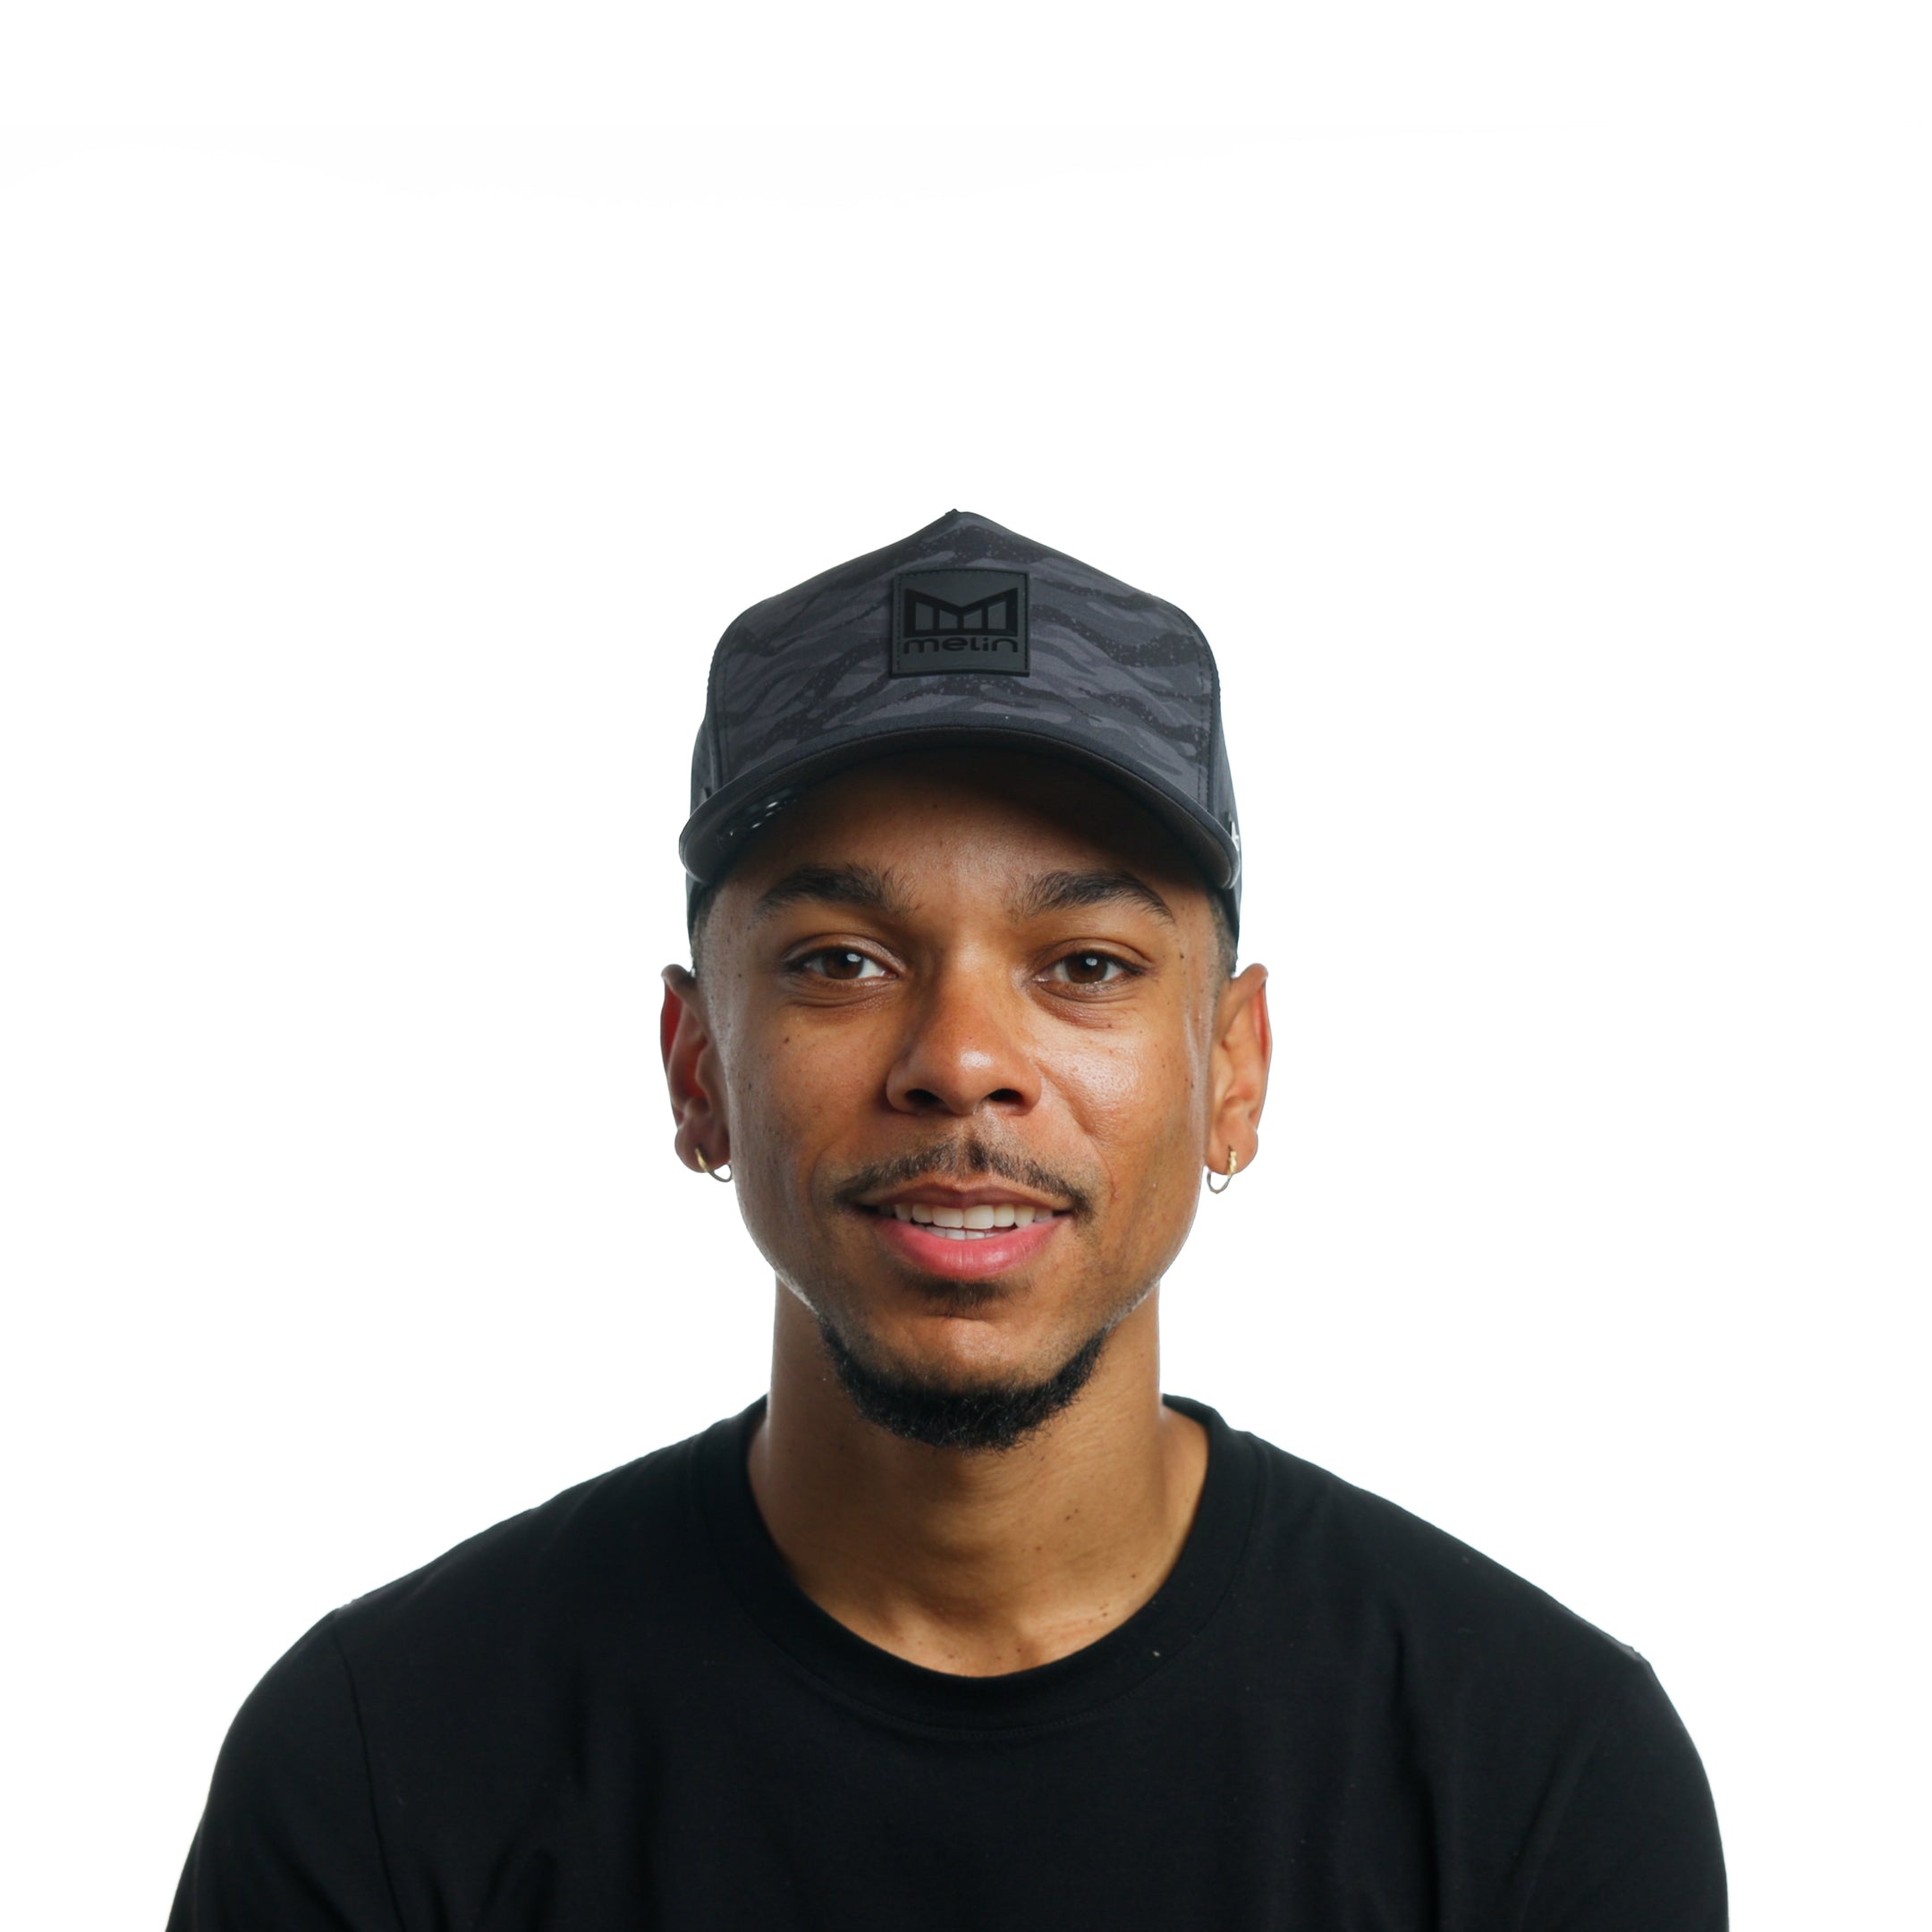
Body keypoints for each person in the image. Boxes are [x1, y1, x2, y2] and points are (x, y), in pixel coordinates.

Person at [169, 510, 1727, 1928]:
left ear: (1234, 1070)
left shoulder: (1536, 1774)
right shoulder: (384, 1765)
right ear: (698, 1071)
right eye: (841, 962)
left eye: (1087, 966)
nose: (963, 1061)